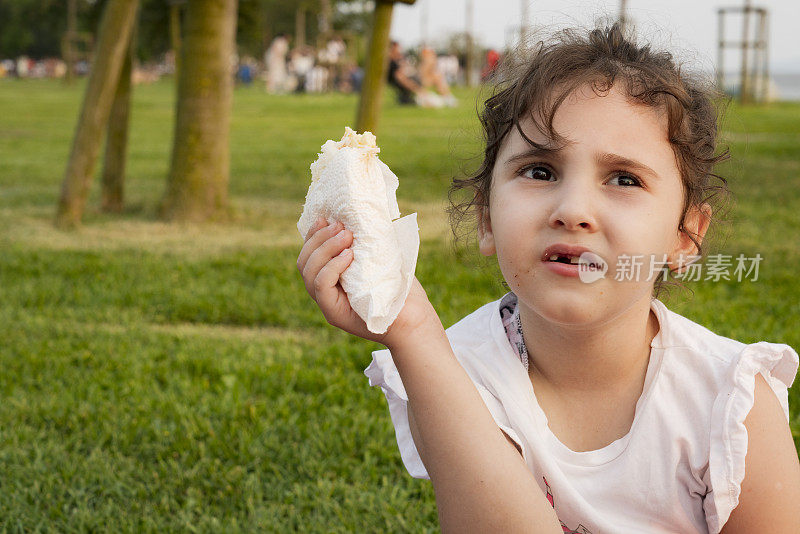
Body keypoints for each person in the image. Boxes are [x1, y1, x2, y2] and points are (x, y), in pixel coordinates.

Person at [297, 23, 800, 533]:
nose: (574, 210)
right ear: (487, 217)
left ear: (685, 236)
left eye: (624, 179)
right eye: (539, 171)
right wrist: (411, 331)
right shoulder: (453, 371)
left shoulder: (730, 403)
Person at [386, 41, 422, 105]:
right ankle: (419, 93)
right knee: (402, 78)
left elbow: (407, 68)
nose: (398, 50)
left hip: (406, 77)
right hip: (397, 79)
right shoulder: (390, 61)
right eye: (397, 48)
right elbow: (398, 75)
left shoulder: (399, 58)